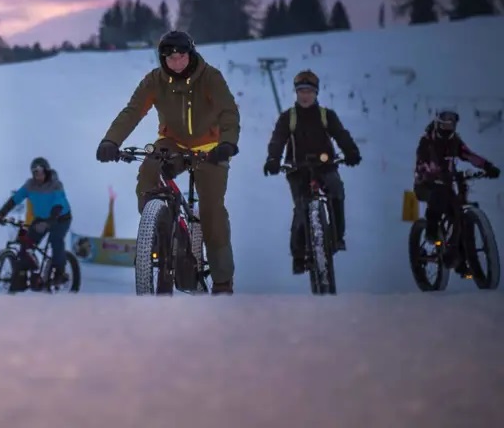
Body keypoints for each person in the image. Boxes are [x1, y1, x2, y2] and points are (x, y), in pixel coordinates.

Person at [94, 30, 240, 294]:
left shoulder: (210, 77)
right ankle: (156, 233)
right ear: (162, 59)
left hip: (210, 149)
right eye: (170, 58)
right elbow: (132, 111)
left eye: (182, 56)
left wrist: (227, 142)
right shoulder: (155, 81)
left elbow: (228, 111)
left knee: (212, 212)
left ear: (190, 54)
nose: (177, 62)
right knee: (148, 171)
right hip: (172, 143)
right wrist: (110, 141)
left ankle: (222, 280)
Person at [263, 70, 361, 274]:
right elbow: (277, 140)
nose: (305, 95)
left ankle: (337, 236)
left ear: (316, 93)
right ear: (296, 93)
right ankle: (298, 254)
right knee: (302, 206)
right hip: (297, 168)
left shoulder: (326, 116)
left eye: (309, 91)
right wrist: (273, 159)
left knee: (336, 190)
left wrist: (351, 151)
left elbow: (341, 134)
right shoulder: (288, 117)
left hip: (325, 165)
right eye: (301, 91)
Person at [413, 108, 500, 246]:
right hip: (425, 185)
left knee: (457, 208)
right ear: (438, 123)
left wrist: (486, 166)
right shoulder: (427, 140)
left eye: (451, 124)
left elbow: (468, 155)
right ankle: (431, 232)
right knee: (438, 198)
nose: (448, 128)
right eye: (445, 124)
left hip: (445, 185)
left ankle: (462, 247)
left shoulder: (454, 141)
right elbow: (421, 164)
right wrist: (432, 172)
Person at [0, 156, 72, 286]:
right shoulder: (30, 185)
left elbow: (58, 204)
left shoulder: (56, 185)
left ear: (47, 171)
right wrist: (0, 215)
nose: (38, 175)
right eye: (34, 172)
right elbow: (14, 200)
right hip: (41, 218)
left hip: (60, 219)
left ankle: (60, 273)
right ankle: (22, 275)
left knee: (56, 240)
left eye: (40, 171)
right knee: (26, 243)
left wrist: (48, 222)